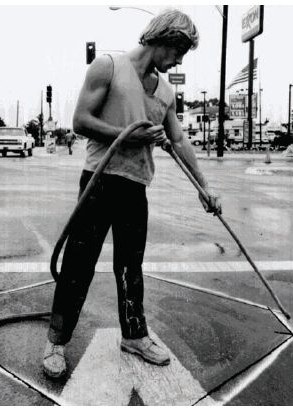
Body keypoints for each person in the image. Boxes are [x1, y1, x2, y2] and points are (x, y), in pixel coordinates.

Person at [42, 9, 222, 379]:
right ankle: (56, 341)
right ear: (162, 38)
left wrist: (205, 187)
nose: (179, 60)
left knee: (130, 265)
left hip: (135, 186)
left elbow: (179, 139)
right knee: (79, 264)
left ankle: (135, 335)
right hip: (98, 179)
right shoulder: (107, 66)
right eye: (178, 50)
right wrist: (131, 134)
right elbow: (80, 121)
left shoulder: (167, 91)